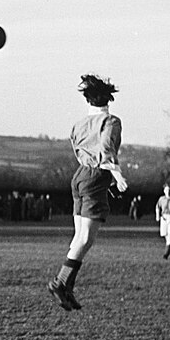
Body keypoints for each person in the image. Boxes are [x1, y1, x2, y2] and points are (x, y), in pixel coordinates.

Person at [48, 74, 128, 311]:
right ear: (108, 100)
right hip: (95, 177)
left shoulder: (79, 124)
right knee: (86, 239)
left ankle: (66, 288)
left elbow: (81, 148)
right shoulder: (111, 121)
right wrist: (117, 176)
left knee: (79, 238)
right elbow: (105, 149)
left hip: (79, 176)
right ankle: (61, 282)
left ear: (88, 101)